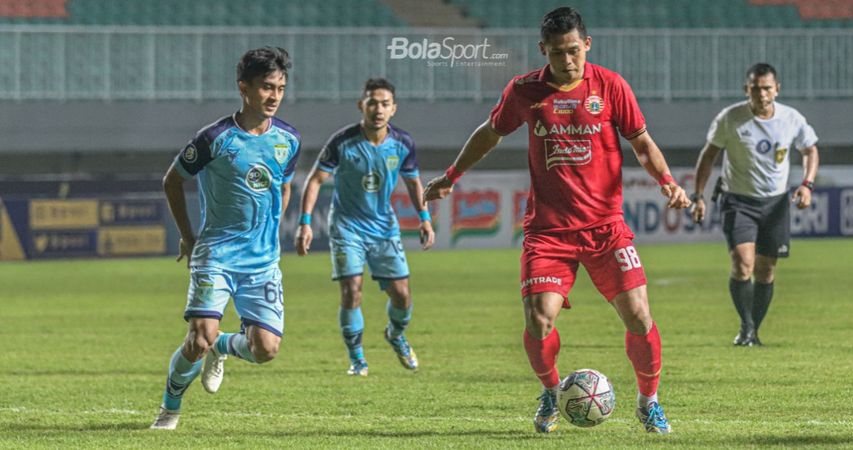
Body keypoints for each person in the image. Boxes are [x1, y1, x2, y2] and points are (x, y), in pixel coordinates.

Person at [424, 7, 689, 435]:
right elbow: (490, 132)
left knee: (639, 315)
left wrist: (667, 182)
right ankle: (551, 391)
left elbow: (641, 141)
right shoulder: (524, 91)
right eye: (557, 53)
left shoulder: (611, 86)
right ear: (542, 50)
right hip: (548, 233)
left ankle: (649, 401)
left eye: (573, 51)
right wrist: (451, 176)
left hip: (605, 229)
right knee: (538, 318)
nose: (567, 61)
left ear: (587, 44)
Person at [150, 47, 301, 430]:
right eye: (267, 87)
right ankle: (170, 409)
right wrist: (188, 236)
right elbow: (172, 180)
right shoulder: (214, 138)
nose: (275, 96)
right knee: (198, 338)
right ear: (244, 88)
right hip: (215, 254)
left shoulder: (289, 140)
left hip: (262, 262)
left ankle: (223, 346)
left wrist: (274, 224)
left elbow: (284, 185)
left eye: (280, 88)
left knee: (266, 350)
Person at [294, 78, 434, 377]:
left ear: (393, 109)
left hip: (384, 228)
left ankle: (395, 335)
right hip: (347, 227)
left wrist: (424, 217)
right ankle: (357, 359)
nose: (378, 109)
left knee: (402, 295)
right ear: (362, 105)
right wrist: (305, 223)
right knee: (351, 292)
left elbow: (413, 182)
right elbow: (315, 180)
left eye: (384, 103)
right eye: (372, 102)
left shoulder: (403, 143)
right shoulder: (342, 142)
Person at [690, 63, 819, 347]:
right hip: (738, 200)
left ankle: (753, 330)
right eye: (755, 88)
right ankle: (746, 326)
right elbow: (708, 156)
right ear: (746, 89)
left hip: (775, 203)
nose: (761, 94)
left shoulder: (791, 118)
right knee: (742, 263)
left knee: (766, 270)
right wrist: (698, 195)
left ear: (777, 89)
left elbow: (810, 149)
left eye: (767, 88)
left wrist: (807, 184)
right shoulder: (731, 118)